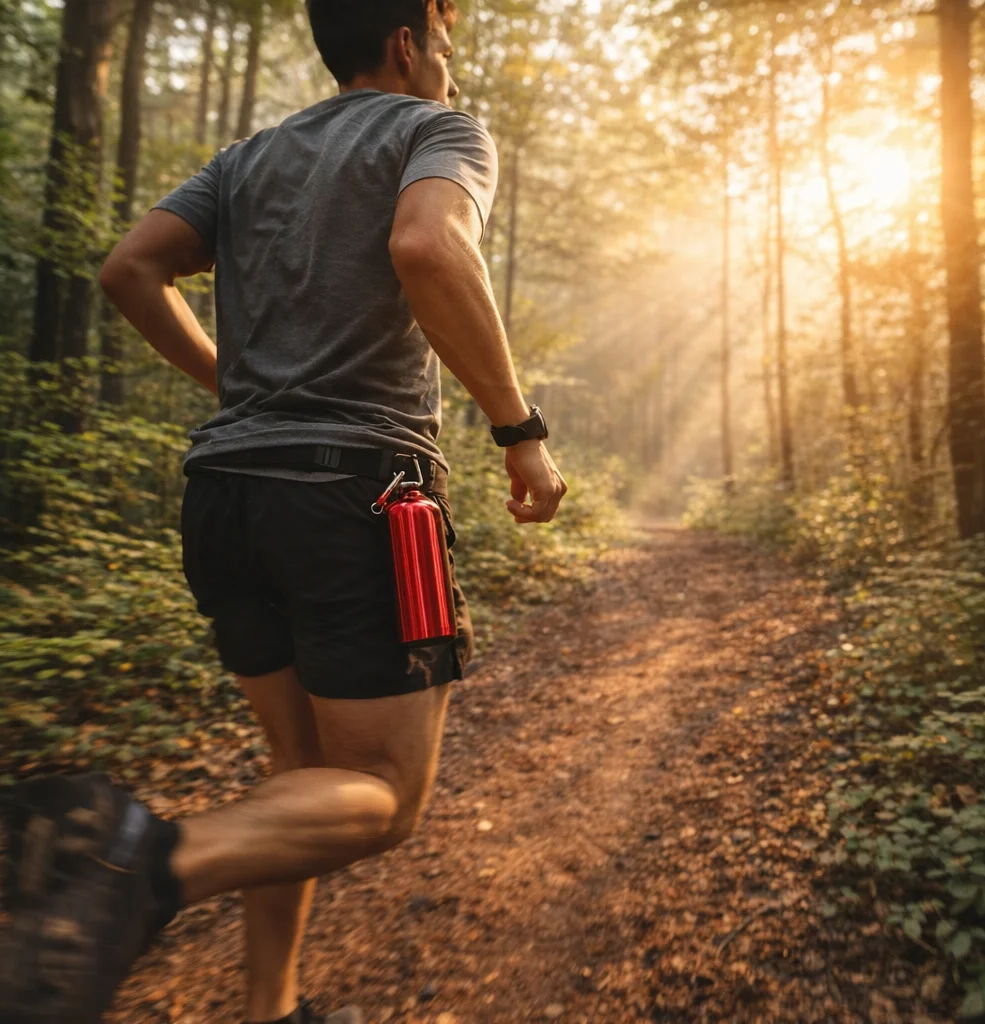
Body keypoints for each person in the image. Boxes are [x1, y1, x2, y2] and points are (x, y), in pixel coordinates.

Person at [0, 2, 567, 1022]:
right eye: (446, 33)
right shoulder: (437, 130)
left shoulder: (248, 157)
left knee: (299, 778)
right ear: (411, 39)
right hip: (359, 497)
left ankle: (270, 1009)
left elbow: (130, 268)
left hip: (225, 494)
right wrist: (518, 431)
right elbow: (431, 249)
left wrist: (233, 386)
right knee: (383, 794)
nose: (450, 57)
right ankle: (142, 856)